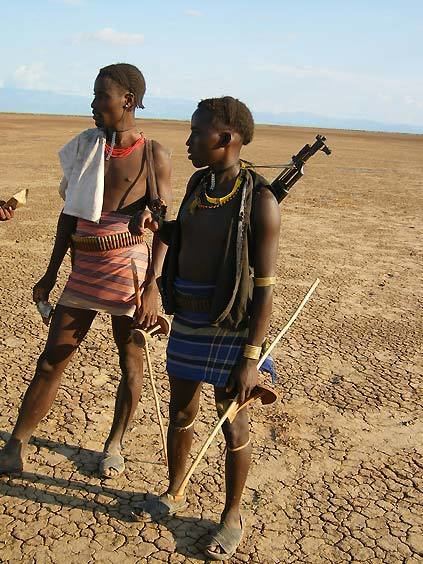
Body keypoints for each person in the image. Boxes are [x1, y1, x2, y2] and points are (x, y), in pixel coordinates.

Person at [0, 63, 171, 478]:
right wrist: (51, 271)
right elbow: (70, 215)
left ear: (127, 101)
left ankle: (114, 444)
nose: (93, 104)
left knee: (130, 364)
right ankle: (16, 444)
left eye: (101, 96)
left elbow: (165, 224)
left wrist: (152, 287)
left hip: (127, 270)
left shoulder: (152, 154)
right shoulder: (86, 147)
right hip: (84, 266)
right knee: (51, 360)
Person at [131, 96, 280, 560]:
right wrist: (160, 226)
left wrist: (252, 360)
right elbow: (186, 238)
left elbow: (265, 290)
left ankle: (231, 514)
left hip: (232, 326)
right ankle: (174, 489)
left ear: (225, 138)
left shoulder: (261, 202)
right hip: (190, 319)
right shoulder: (200, 184)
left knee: (232, 423)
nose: (189, 140)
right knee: (180, 411)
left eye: (197, 133)